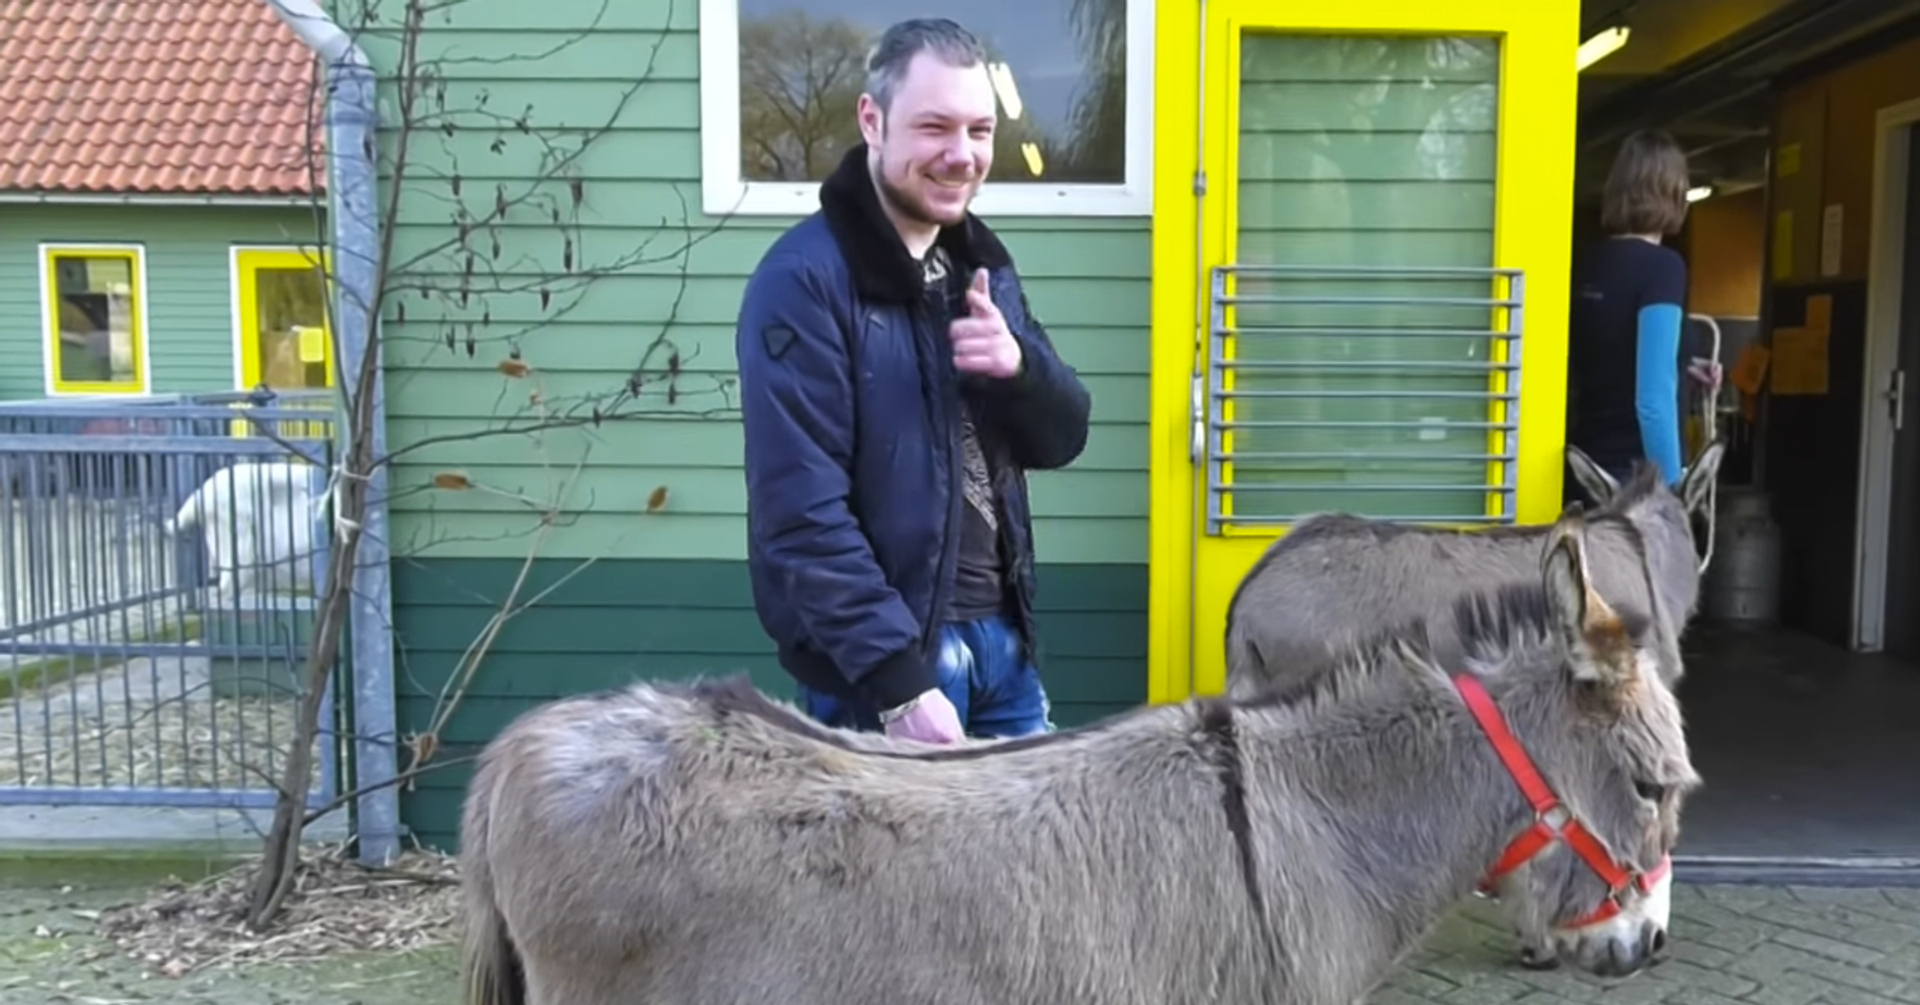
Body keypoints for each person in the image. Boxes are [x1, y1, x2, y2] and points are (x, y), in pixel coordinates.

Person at [733, 18, 1093, 745]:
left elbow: (1063, 438)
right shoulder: (804, 283)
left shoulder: (980, 267)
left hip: (1005, 646)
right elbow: (800, 517)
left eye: (980, 130)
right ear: (874, 120)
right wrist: (901, 686)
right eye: (935, 127)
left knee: (1027, 863)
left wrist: (1020, 370)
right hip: (890, 672)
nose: (962, 155)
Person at [1565, 128, 1723, 507]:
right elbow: (1651, 398)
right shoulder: (1663, 269)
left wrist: (1684, 365)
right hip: (1633, 484)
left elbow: (1606, 352)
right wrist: (1670, 493)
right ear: (1674, 194)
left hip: (1584, 469)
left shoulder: (1587, 263)